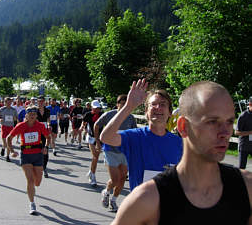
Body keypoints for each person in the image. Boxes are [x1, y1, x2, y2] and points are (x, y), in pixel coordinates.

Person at [111, 80, 252, 225]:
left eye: (229, 121)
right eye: (212, 121)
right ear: (183, 126)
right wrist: (128, 106)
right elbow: (107, 137)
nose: (225, 132)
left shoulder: (245, 187)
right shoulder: (144, 197)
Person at [101, 80, 182, 191]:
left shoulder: (179, 143)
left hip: (168, 204)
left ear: (169, 112)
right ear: (146, 111)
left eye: (163, 104)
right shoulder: (134, 137)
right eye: (153, 104)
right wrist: (129, 106)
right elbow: (106, 137)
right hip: (141, 204)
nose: (158, 107)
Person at [95, 94, 137, 212]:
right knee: (115, 179)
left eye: (126, 104)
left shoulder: (130, 118)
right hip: (110, 151)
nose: (124, 107)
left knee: (122, 178)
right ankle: (106, 191)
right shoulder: (110, 115)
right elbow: (96, 125)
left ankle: (114, 200)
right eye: (122, 104)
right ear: (117, 104)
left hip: (124, 152)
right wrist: (98, 142)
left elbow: (134, 134)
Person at [6, 106, 50, 215]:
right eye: (30, 114)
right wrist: (12, 151)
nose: (32, 115)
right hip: (26, 155)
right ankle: (32, 203)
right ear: (26, 115)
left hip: (38, 155)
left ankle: (32, 190)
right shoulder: (21, 126)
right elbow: (9, 138)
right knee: (30, 181)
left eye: (34, 114)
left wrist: (46, 147)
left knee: (37, 182)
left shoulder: (40, 126)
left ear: (36, 116)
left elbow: (48, 137)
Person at [80, 100, 103, 186]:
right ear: (92, 107)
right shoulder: (88, 114)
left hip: (99, 138)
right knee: (95, 157)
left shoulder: (102, 115)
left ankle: (91, 171)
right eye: (95, 108)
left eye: (98, 108)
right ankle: (92, 176)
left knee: (96, 157)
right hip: (91, 137)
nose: (97, 109)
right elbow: (84, 122)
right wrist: (82, 127)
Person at [0, 97, 18, 162]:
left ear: (11, 102)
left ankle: (7, 156)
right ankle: (3, 148)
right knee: (5, 142)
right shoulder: (2, 109)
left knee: (9, 142)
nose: (8, 103)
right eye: (7, 102)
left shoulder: (13, 110)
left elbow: (16, 118)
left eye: (10, 102)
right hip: (4, 126)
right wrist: (0, 119)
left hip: (11, 127)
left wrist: (15, 119)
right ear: (5, 102)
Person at [36, 95, 51, 178]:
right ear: (37, 102)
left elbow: (48, 120)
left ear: (44, 102)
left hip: (44, 132)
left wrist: (49, 125)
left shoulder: (47, 110)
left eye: (42, 101)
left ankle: (44, 167)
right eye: (39, 101)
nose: (41, 103)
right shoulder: (35, 110)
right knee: (36, 149)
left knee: (45, 149)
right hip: (36, 132)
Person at [235, 97, 252, 169]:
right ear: (250, 104)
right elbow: (237, 132)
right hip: (244, 146)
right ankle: (240, 180)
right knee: (242, 168)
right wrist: (251, 132)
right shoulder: (243, 116)